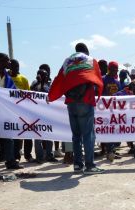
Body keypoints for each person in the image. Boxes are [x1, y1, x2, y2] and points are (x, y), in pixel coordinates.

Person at [48, 43, 104, 174]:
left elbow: (58, 79)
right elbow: (97, 78)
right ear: (86, 51)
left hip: (71, 103)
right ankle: (90, 166)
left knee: (76, 135)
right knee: (88, 135)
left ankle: (78, 165)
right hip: (86, 101)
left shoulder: (67, 62)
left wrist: (51, 96)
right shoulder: (90, 60)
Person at [30, 69, 58, 163]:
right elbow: (32, 93)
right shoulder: (34, 84)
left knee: (49, 135)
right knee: (38, 137)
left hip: (47, 114)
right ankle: (39, 157)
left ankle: (49, 155)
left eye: (46, 75)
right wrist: (39, 82)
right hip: (36, 114)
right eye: (44, 75)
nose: (46, 77)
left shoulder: (49, 85)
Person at [9, 58, 31, 162]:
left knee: (27, 132)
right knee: (14, 134)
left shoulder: (23, 79)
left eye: (17, 66)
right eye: (12, 66)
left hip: (22, 110)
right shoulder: (6, 77)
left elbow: (29, 95)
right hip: (9, 110)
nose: (15, 68)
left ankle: (28, 155)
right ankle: (16, 157)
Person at [102, 61, 122, 162]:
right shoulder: (103, 79)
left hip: (115, 110)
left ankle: (112, 151)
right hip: (105, 110)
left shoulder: (117, 82)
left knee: (115, 130)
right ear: (109, 69)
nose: (115, 71)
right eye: (114, 69)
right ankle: (109, 151)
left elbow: (120, 94)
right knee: (108, 130)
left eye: (116, 70)